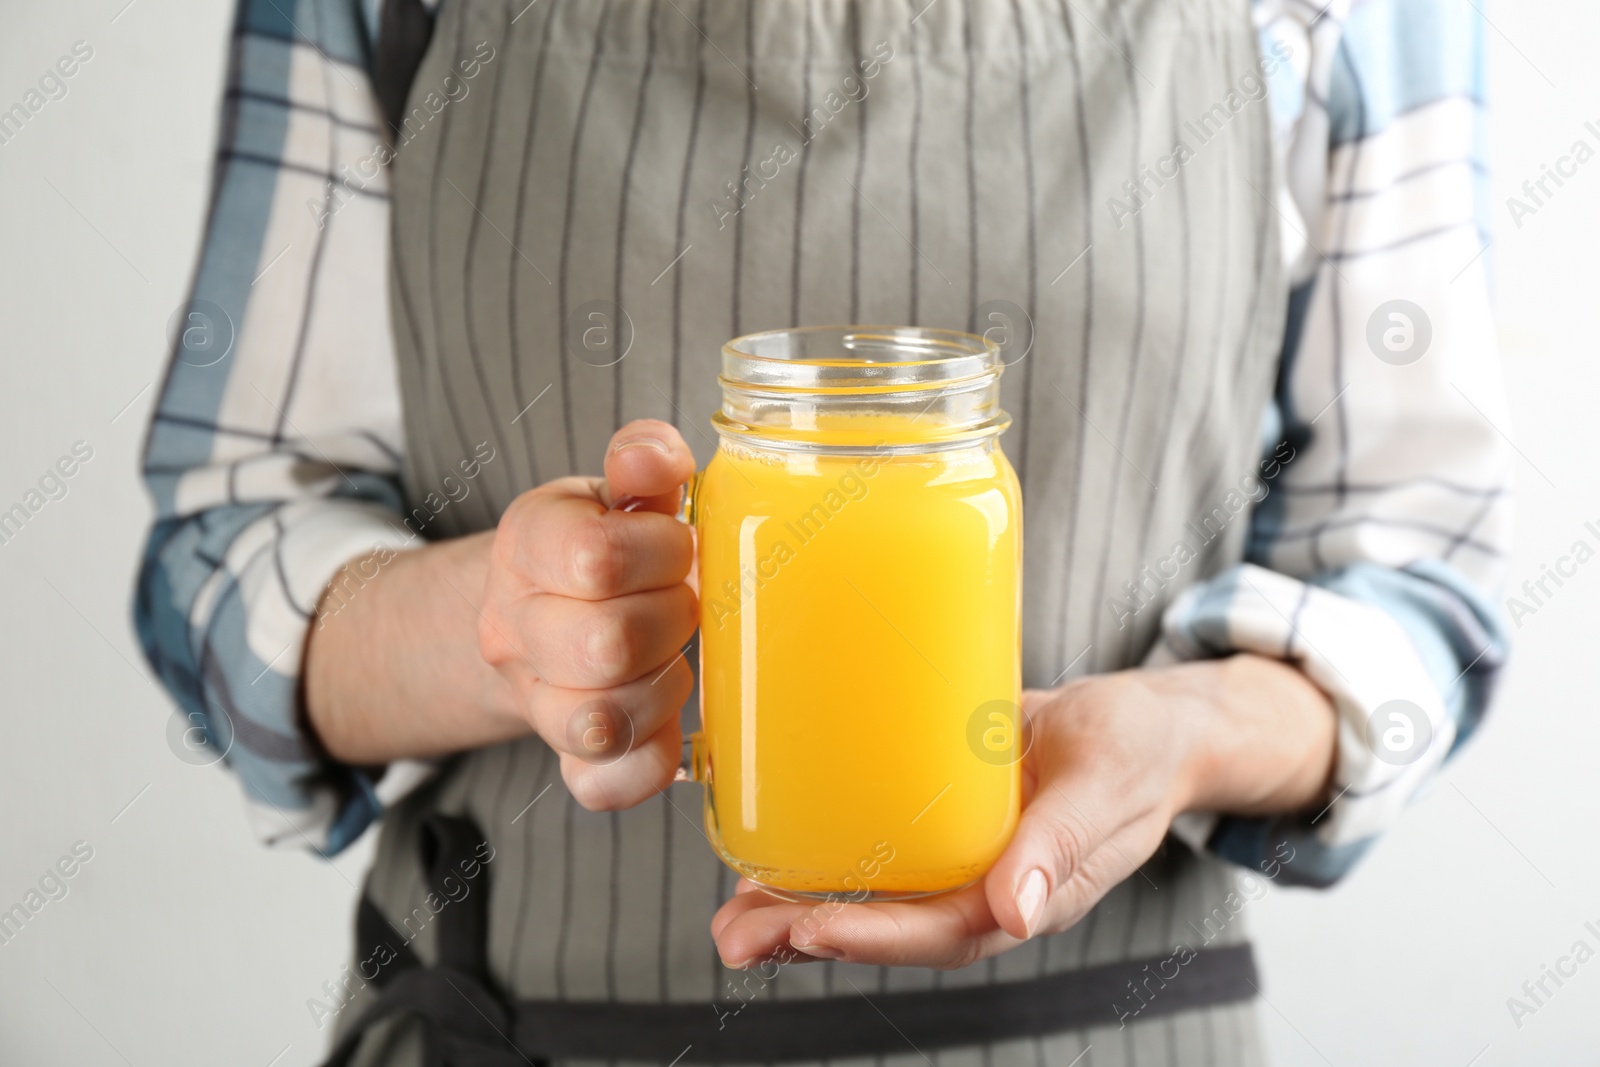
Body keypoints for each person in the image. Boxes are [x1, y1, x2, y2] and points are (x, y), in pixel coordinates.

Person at [135, 0, 1510, 1063]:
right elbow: (226, 551)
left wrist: (1189, 735)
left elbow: (1418, 574)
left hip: (1120, 1028)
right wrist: (496, 628)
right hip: (528, 1023)